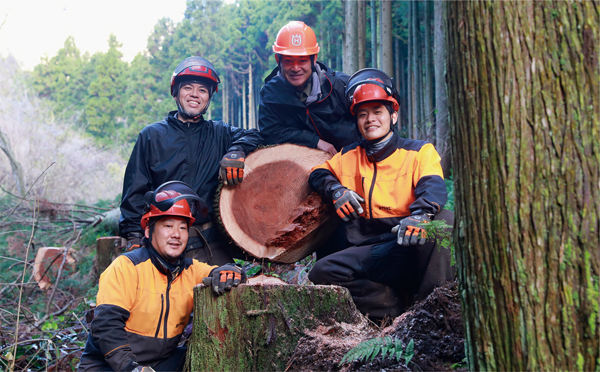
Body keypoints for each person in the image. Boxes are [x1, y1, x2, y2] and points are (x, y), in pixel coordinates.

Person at [307, 69, 454, 319]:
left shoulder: (419, 152)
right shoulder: (347, 156)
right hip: (372, 250)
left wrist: (420, 215)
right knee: (322, 272)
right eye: (363, 114)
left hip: (409, 243)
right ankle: (395, 309)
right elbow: (318, 174)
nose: (370, 119)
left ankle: (434, 312)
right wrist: (336, 190)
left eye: (377, 112)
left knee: (446, 222)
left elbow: (433, 186)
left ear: (393, 116)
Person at [79, 181, 245, 372]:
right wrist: (130, 368)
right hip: (108, 366)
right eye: (168, 225)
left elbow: (222, 271)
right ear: (149, 230)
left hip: (158, 363)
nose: (176, 234)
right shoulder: (127, 267)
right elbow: (106, 324)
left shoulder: (191, 270)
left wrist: (231, 272)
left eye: (183, 227)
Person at [119, 56, 262, 265]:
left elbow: (255, 135)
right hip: (161, 240)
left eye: (202, 90)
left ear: (209, 97)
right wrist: (133, 236)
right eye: (188, 87)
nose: (195, 94)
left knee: (229, 284)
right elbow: (134, 191)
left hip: (208, 244)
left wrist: (236, 151)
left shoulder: (219, 133)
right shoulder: (152, 136)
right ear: (175, 92)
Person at [258, 21, 359, 156]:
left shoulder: (341, 86)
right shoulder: (270, 95)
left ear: (314, 59)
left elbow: (372, 118)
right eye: (288, 61)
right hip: (301, 165)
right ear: (278, 60)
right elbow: (270, 134)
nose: (295, 68)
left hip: (351, 159)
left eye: (302, 60)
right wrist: (313, 141)